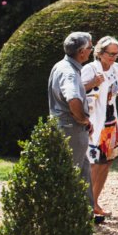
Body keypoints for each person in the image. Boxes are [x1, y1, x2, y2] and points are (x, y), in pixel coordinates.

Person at [48, 32, 97, 218]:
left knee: (83, 171)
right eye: (91, 48)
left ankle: (85, 216)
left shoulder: (61, 66)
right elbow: (73, 98)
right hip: (70, 129)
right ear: (82, 51)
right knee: (70, 174)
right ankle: (66, 219)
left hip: (65, 127)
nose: (92, 51)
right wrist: (83, 119)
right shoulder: (69, 72)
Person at [80, 36, 118, 217]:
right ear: (100, 53)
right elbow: (78, 91)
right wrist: (94, 83)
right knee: (92, 162)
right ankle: (85, 205)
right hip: (93, 123)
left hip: (110, 121)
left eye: (117, 54)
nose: (114, 57)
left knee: (106, 162)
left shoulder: (117, 69)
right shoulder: (89, 69)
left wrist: (115, 87)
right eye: (111, 54)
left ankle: (95, 201)